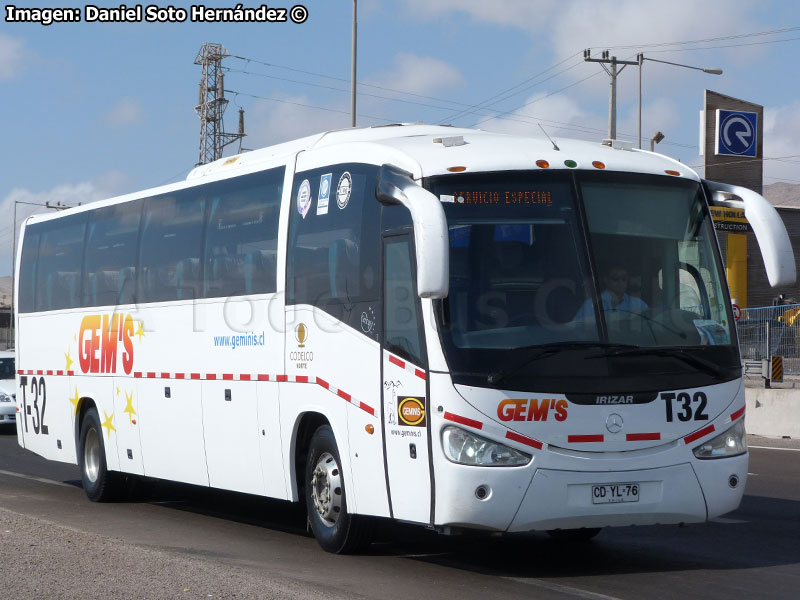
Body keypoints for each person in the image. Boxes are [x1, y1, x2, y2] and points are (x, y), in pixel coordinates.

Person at [574, 265, 648, 320]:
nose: (620, 282)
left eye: (624, 279)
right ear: (606, 280)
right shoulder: (591, 305)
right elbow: (577, 332)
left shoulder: (639, 304)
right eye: (615, 278)